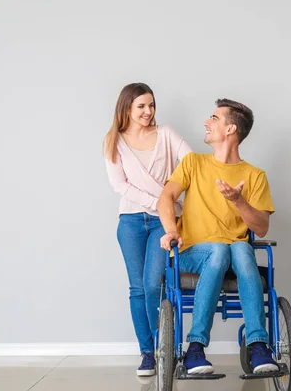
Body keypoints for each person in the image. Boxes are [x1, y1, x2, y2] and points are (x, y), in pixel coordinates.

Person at [157, 98, 279, 375]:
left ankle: (258, 344)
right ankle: (196, 347)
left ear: (230, 129)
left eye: (214, 118)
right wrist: (172, 230)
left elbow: (260, 227)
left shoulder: (254, 175)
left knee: (240, 248)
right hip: (194, 252)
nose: (206, 122)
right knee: (224, 250)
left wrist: (239, 201)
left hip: (233, 254)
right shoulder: (193, 163)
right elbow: (166, 198)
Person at [103, 83, 191, 376]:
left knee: (154, 284)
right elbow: (120, 185)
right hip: (130, 221)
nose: (148, 111)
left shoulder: (166, 134)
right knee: (137, 287)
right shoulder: (114, 140)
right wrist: (160, 199)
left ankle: (163, 346)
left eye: (151, 105)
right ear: (127, 108)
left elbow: (191, 164)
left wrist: (169, 206)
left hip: (161, 223)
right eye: (141, 106)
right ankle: (147, 353)